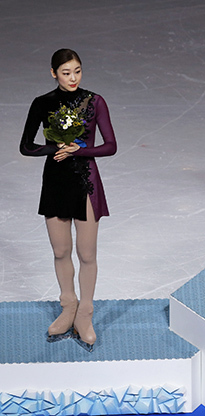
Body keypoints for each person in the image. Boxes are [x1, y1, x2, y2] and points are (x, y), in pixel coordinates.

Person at [20, 49, 117, 350]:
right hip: (56, 182)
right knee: (61, 250)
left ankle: (85, 313)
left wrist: (78, 150)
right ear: (53, 73)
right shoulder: (42, 104)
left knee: (87, 253)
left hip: (86, 181)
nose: (73, 78)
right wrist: (54, 149)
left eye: (77, 71)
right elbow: (26, 146)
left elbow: (110, 146)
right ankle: (68, 306)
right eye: (66, 72)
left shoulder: (95, 101)